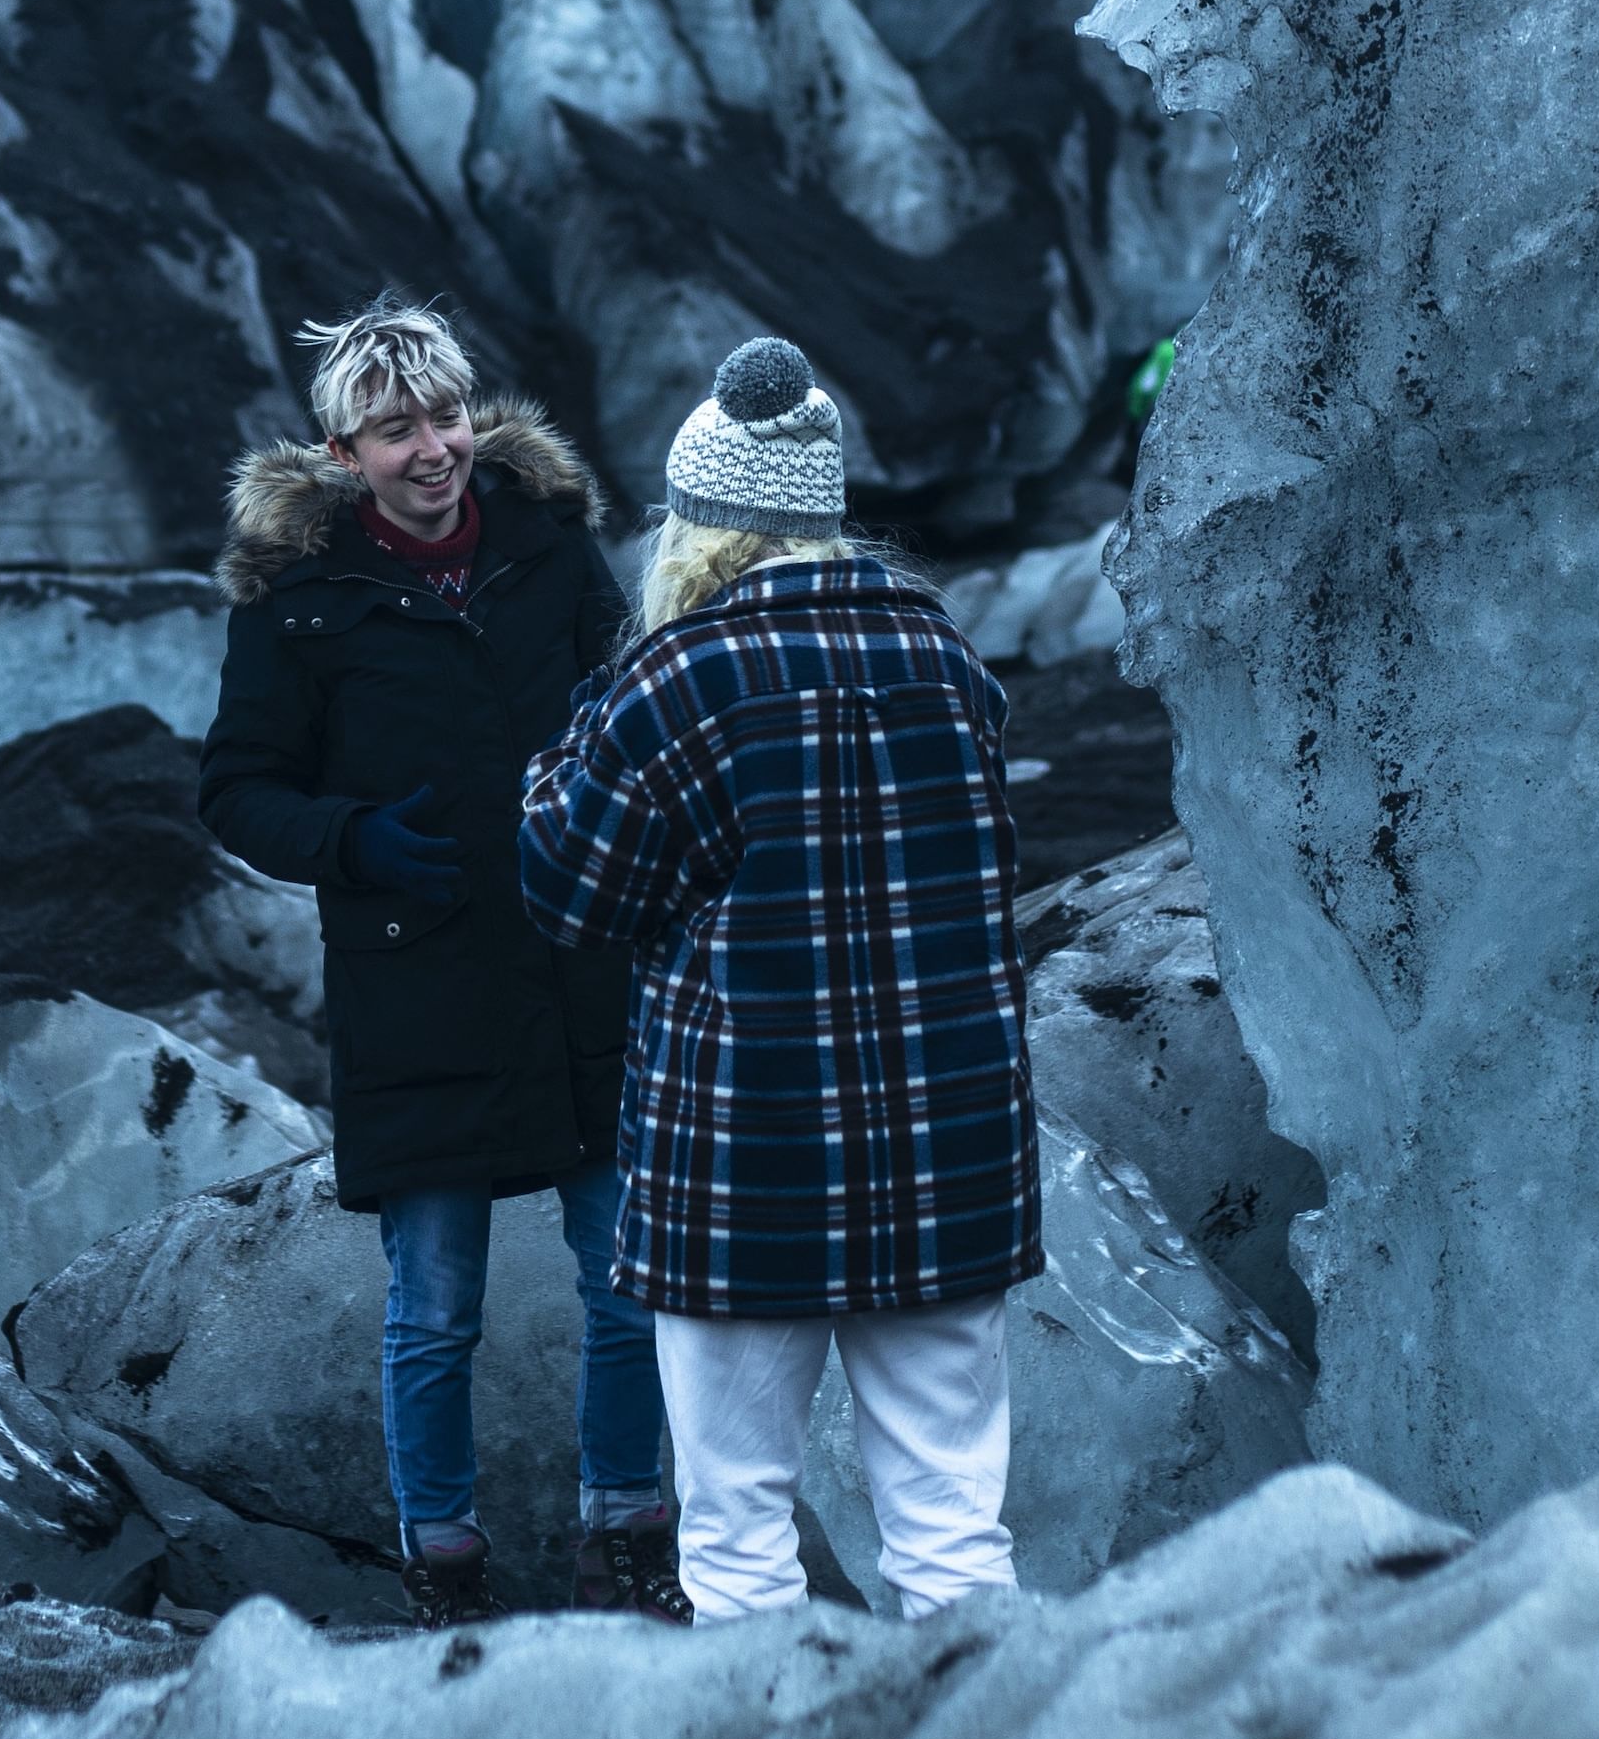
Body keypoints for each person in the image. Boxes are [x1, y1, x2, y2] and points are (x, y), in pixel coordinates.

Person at [519, 333, 1034, 1623]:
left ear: (702, 528)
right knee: (953, 1524)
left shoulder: (680, 681)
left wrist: (571, 739)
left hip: (747, 1154)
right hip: (945, 1144)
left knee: (739, 1533)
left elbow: (567, 890)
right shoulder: (947, 665)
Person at [200, 291, 675, 1624]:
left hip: (580, 963)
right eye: (395, 429)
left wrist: (623, 826)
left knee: (632, 1279)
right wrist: (354, 841)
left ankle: (625, 1541)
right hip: (419, 987)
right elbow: (236, 791)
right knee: (434, 1314)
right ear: (344, 454)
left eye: (448, 416)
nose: (434, 448)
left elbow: (627, 717)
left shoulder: (552, 554)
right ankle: (446, 1569)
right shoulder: (299, 608)